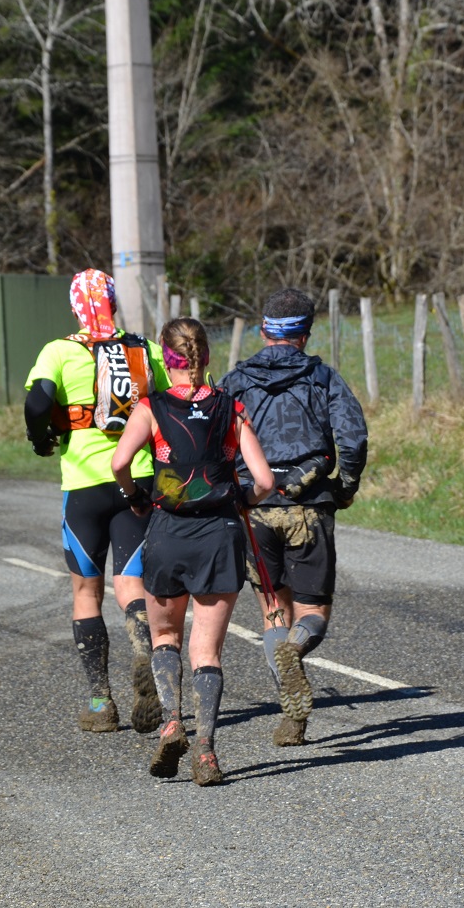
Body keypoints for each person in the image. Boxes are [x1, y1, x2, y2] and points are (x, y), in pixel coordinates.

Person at [111, 317, 274, 786]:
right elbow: (264, 481)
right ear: (206, 356)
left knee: (166, 640)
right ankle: (206, 752)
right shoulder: (231, 408)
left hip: (167, 534)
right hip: (220, 535)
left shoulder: (151, 407)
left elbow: (120, 462)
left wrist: (135, 496)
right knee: (208, 650)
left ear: (167, 357)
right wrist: (242, 500)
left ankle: (170, 723)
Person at [219, 288, 369, 748]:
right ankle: (296, 650)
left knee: (272, 609)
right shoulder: (324, 377)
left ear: (263, 330)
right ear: (305, 334)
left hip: (255, 507)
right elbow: (353, 438)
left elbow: (215, 441)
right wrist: (344, 487)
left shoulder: (235, 382)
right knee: (313, 611)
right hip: (311, 505)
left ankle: (292, 719)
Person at [24, 269, 169, 736]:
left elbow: (37, 401)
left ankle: (99, 702)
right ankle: (144, 652)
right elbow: (167, 403)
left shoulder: (60, 350)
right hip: (137, 480)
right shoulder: (141, 349)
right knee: (132, 586)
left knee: (86, 592)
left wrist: (41, 438)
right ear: (114, 303)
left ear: (75, 308)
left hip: (83, 483)